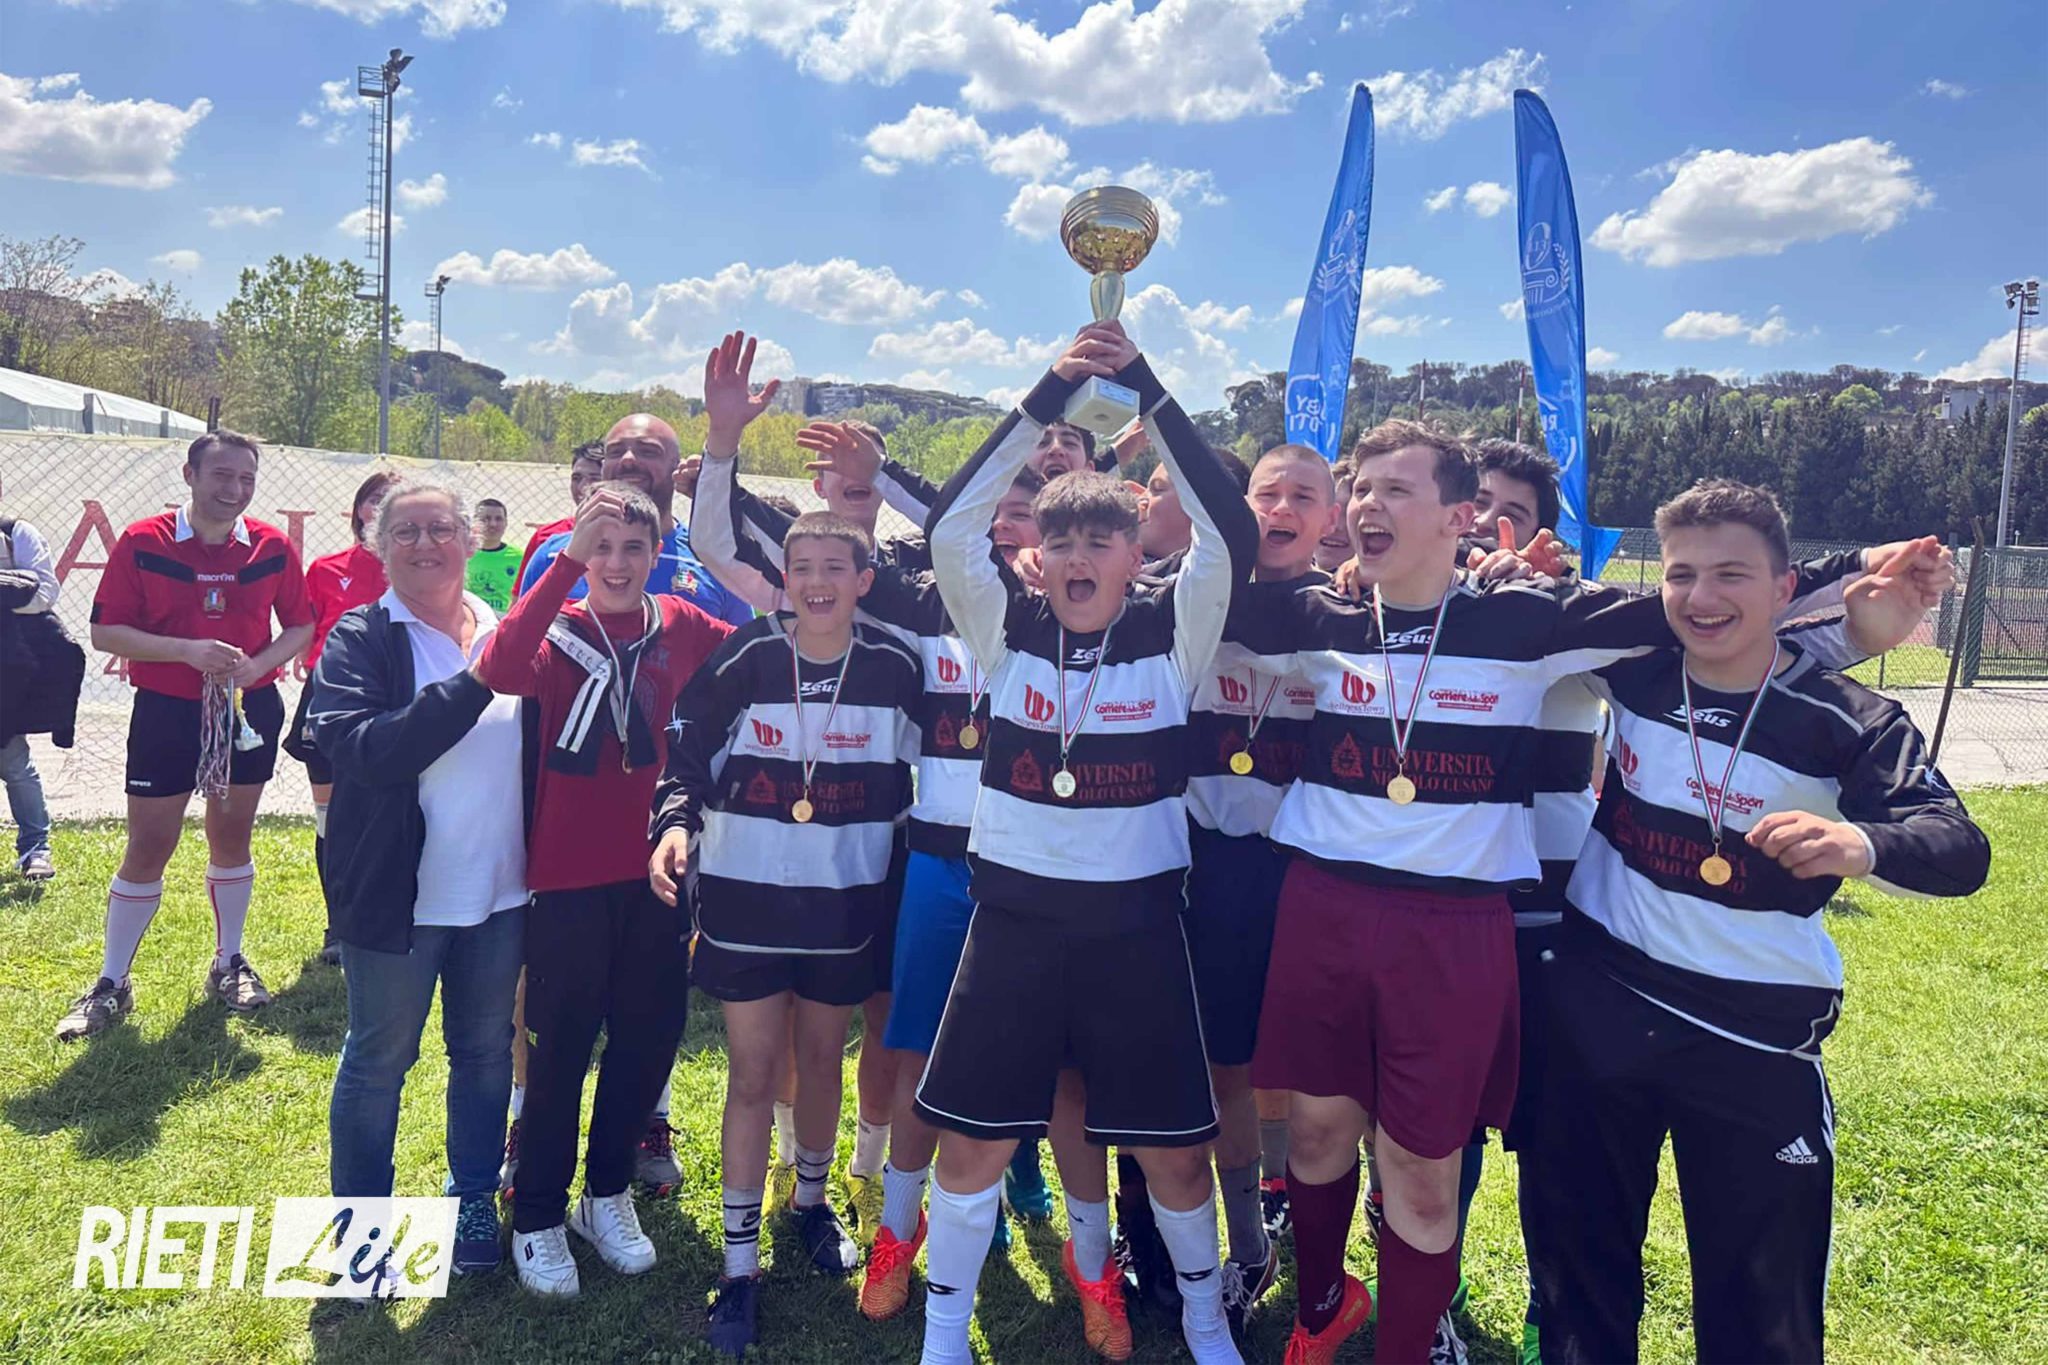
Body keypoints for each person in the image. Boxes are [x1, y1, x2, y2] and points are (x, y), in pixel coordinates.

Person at [1237, 419, 1941, 1364]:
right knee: (1320, 1131)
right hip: (1334, 909)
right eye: (1361, 488)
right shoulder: (1321, 613)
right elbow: (1191, 594)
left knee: (1423, 1161)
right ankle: (1323, 1308)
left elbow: (1704, 607)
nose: (1367, 504)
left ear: (1458, 517)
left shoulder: (1531, 617)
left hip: (1467, 924)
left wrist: (1857, 582)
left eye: (1395, 489)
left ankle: (1412, 1337)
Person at [1525, 479, 1989, 1364]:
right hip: (1601, 1007)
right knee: (1579, 1276)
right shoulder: (1635, 666)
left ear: (1785, 590)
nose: (1701, 597)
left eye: (1731, 574)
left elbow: (1959, 846)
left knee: (1762, 1308)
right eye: (1681, 574)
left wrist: (1860, 843)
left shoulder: (1849, 718)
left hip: (1755, 1038)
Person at [688, 339, 1058, 1323]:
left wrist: (886, 471)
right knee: (856, 1041)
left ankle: (960, 1186)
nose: (1010, 529)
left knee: (967, 1042)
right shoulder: (888, 600)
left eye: (1026, 515)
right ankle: (837, 1205)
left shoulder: (1056, 608)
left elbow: (963, 522)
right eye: (1001, 513)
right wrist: (723, 441)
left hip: (990, 860)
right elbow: (730, 543)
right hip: (882, 861)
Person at [914, 321, 1257, 1365]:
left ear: (1133, 557)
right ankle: (941, 1335)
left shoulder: (1172, 636)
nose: (1076, 557)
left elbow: (1228, 533)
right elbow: (948, 528)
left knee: (1174, 1155)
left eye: (1099, 543)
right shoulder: (1003, 629)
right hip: (1013, 922)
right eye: (1060, 542)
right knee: (972, 1139)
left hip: (1136, 929)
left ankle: (1204, 1323)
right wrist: (1045, 395)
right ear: (1038, 556)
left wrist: (1143, 385)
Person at [649, 510, 921, 1357]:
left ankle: (809, 1200)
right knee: (754, 1071)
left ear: (863, 580)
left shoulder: (895, 667)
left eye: (835, 566)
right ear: (785, 576)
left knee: (822, 1056)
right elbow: (686, 751)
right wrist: (674, 824)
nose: (816, 581)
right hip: (747, 900)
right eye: (801, 566)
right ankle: (738, 1266)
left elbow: (947, 763)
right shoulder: (750, 654)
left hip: (844, 903)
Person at [472, 481, 733, 1296]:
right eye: (600, 549)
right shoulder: (557, 628)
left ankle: (606, 1192)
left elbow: (764, 652)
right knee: (559, 1049)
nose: (616, 564)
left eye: (632, 549)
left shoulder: (681, 624)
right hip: (568, 878)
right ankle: (539, 1213)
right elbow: (498, 667)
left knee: (649, 1039)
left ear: (658, 556)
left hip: (660, 871)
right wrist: (564, 566)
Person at [309, 475, 529, 1279]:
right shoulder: (361, 637)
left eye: (441, 528)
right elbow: (368, 749)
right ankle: (361, 1231)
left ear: (471, 539)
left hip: (500, 891)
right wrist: (475, 683)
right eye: (405, 531)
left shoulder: (502, 627)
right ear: (378, 545)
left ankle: (471, 1197)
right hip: (400, 896)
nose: (426, 543)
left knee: (484, 1053)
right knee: (378, 1061)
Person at [57, 431, 313, 1042]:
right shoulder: (143, 541)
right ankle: (112, 981)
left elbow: (301, 625)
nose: (235, 489)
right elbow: (106, 633)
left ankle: (229, 963)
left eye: (246, 478)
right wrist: (185, 651)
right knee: (150, 843)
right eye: (222, 475)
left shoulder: (272, 546)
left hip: (246, 709)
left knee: (232, 837)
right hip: (167, 711)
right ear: (190, 475)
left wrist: (258, 666)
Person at [1175, 443, 1337, 1340]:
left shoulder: (1351, 609)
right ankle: (1246, 1247)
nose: (1280, 507)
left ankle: (1321, 1261)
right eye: (1265, 491)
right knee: (1222, 1063)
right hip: (1205, 862)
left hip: (1308, 871)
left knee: (1319, 1079)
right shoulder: (1191, 590)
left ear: (1329, 519)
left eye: (1301, 495)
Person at [285, 470, 399, 966]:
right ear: (358, 509)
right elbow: (305, 631)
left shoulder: (418, 569)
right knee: (332, 818)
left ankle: (394, 918)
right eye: (374, 498)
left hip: (396, 699)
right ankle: (338, 924)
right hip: (332, 699)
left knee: (392, 813)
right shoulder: (326, 568)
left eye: (392, 498)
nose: (382, 506)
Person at [518, 415, 753, 629]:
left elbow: (748, 654)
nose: (628, 459)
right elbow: (516, 646)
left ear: (677, 467)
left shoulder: (714, 561)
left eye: (648, 451)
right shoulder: (553, 557)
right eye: (615, 452)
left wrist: (720, 501)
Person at [0, 479, 67, 881]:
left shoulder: (16, 534)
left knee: (13, 761)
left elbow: (44, 592)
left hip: (6, 667)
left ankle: (35, 850)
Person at [515, 442, 606, 589]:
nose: (583, 487)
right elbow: (522, 600)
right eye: (576, 478)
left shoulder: (630, 539)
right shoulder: (545, 539)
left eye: (595, 479)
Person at [467, 497, 521, 612]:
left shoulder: (520, 558)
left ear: (506, 523)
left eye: (498, 519)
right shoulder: (462, 555)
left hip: (503, 619)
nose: (492, 524)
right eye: (485, 519)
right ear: (474, 523)